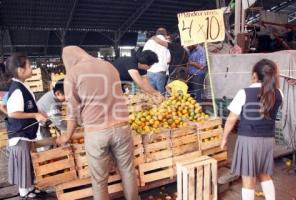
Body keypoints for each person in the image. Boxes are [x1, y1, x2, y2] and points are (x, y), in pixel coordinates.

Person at [56, 46, 139, 200]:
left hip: (96, 133)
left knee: (100, 180)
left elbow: (72, 112)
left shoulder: (72, 75)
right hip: (122, 126)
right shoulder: (110, 66)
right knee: (128, 171)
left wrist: (66, 136)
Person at [220, 59, 283, 200]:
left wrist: (224, 138)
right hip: (268, 140)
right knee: (264, 174)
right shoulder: (278, 93)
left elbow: (231, 119)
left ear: (255, 75)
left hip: (248, 139)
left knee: (248, 180)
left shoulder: (244, 93)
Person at [5, 53, 48, 199]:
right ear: (20, 70)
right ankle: (24, 193)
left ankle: (30, 188)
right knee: (22, 163)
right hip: (19, 133)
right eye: (29, 66)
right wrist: (35, 115)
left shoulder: (22, 86)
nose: (31, 68)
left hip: (27, 133)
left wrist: (38, 112)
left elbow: (27, 107)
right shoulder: (17, 88)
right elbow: (13, 113)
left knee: (28, 163)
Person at [143, 27, 171, 95]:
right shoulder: (166, 43)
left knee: (152, 94)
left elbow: (143, 56)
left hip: (150, 71)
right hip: (161, 72)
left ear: (156, 33)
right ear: (165, 34)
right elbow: (169, 60)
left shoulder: (149, 42)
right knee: (161, 94)